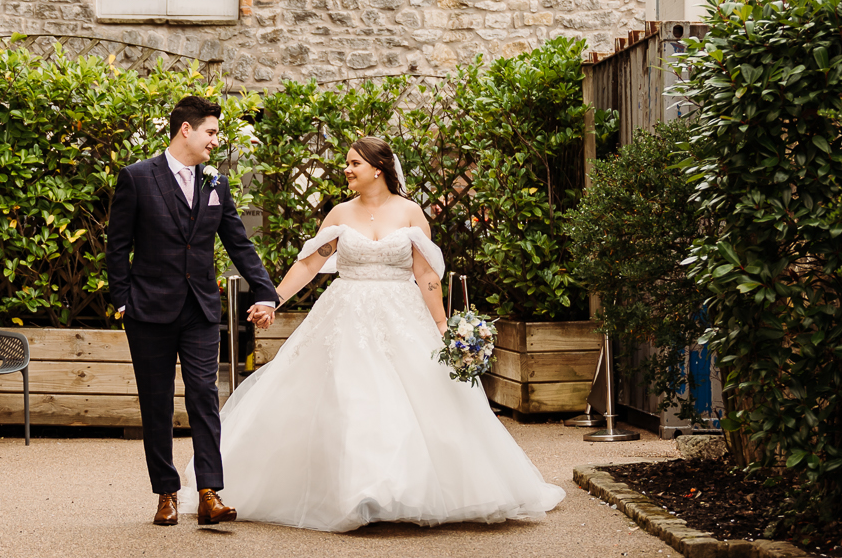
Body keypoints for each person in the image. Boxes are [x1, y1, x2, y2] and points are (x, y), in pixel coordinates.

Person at [183, 136, 566, 532]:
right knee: (353, 399)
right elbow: (309, 265)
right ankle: (360, 492)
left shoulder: (411, 213)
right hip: (346, 314)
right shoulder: (339, 214)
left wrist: (440, 326)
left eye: (354, 163)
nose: (346, 170)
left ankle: (406, 489)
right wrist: (271, 300)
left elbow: (426, 273)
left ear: (378, 168)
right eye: (346, 164)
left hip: (403, 316)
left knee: (417, 401)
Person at [106, 96, 278, 528]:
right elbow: (117, 246)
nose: (215, 141)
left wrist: (266, 292)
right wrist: (123, 300)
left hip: (201, 308)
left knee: (204, 395)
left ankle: (208, 493)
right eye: (212, 132)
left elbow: (239, 242)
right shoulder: (138, 178)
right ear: (187, 129)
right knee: (157, 401)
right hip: (148, 310)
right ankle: (166, 493)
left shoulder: (215, 183)